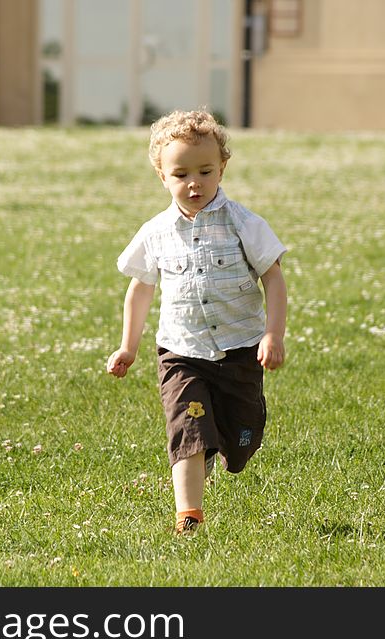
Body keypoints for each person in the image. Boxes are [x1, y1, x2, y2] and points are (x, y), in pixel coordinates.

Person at [106, 109, 288, 533]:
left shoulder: (243, 223)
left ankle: (221, 447)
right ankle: (189, 516)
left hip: (240, 347)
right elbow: (141, 289)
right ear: (162, 176)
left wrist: (272, 334)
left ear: (222, 168)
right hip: (181, 352)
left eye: (206, 171)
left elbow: (273, 279)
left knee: (241, 443)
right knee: (187, 428)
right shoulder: (155, 232)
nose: (194, 182)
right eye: (181, 173)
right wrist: (128, 347)